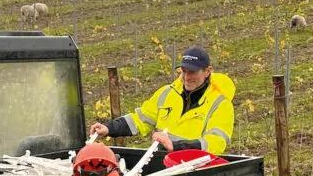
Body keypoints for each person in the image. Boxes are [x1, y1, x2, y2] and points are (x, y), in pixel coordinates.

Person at [89, 46, 235, 155]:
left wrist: (175, 146)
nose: (187, 77)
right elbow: (139, 120)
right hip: (161, 164)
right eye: (184, 71)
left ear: (207, 71)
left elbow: (215, 143)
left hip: (195, 169)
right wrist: (108, 128)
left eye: (192, 72)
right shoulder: (166, 93)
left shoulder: (221, 104)